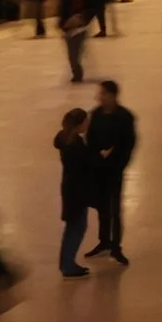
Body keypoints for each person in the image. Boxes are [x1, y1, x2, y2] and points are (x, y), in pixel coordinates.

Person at [84, 80, 137, 265]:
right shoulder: (96, 114)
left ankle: (116, 246)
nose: (99, 97)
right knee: (102, 207)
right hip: (99, 170)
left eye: (103, 94)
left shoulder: (125, 117)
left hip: (114, 170)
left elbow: (129, 144)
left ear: (112, 95)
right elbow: (89, 140)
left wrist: (118, 163)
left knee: (115, 209)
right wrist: (95, 159)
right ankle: (104, 241)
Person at [53, 107, 97, 277]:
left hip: (70, 188)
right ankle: (67, 264)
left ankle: (66, 262)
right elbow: (85, 166)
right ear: (80, 124)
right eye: (86, 121)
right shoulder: (76, 145)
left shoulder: (64, 139)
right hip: (77, 191)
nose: (88, 124)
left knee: (73, 226)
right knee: (77, 226)